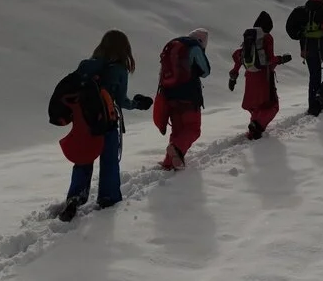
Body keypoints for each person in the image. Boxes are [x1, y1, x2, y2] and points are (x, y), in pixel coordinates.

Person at [58, 30, 153, 222]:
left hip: (84, 122)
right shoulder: (119, 70)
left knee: (84, 160)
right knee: (109, 161)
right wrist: (137, 103)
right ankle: (108, 198)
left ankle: (75, 198)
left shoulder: (87, 66)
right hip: (108, 123)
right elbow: (121, 100)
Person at [153, 28, 211, 170]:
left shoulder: (173, 45)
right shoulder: (194, 48)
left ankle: (169, 163)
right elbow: (206, 71)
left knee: (178, 130)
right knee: (193, 129)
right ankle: (176, 149)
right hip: (189, 97)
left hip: (170, 96)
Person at [229, 11, 292, 139]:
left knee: (256, 105)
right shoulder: (267, 37)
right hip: (264, 76)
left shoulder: (249, 37)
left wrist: (233, 76)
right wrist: (281, 59)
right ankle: (257, 126)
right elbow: (269, 59)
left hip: (250, 76)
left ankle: (253, 128)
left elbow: (238, 56)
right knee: (272, 105)